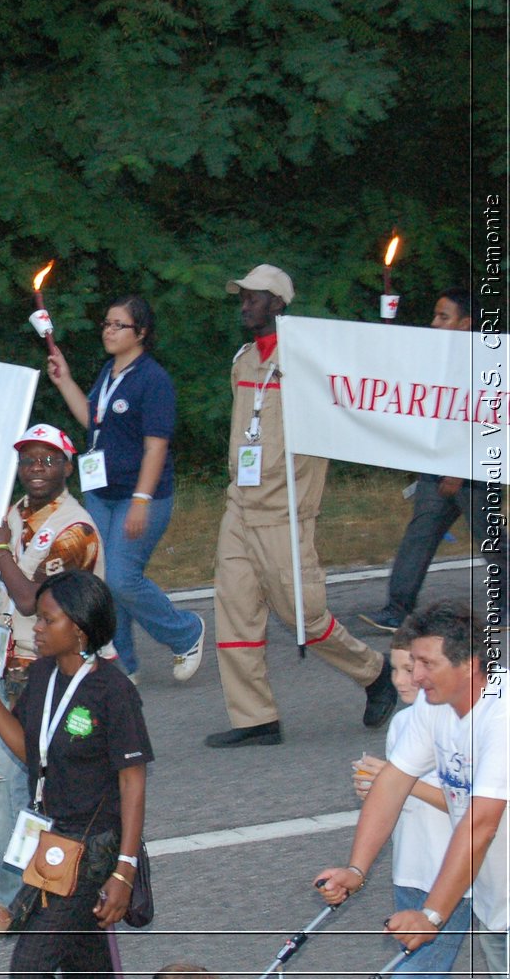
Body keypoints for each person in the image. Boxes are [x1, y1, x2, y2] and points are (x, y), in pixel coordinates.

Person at [205, 265, 397, 747]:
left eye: (253, 297)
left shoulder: (309, 363)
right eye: (242, 296)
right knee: (234, 611)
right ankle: (255, 719)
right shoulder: (243, 361)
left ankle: (375, 673)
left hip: (284, 513)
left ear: (277, 303)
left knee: (304, 618)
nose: (244, 304)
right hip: (239, 507)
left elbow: (362, 395)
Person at [0, 570, 151, 979]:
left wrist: (123, 870)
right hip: (50, 837)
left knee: (29, 966)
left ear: (78, 629)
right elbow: (29, 750)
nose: (36, 629)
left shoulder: (113, 693)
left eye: (46, 620)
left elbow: (133, 782)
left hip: (91, 848)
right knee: (85, 965)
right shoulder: (42, 676)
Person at [0, 423, 109, 939]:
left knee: (7, 786)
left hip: (60, 674)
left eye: (49, 459)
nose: (37, 468)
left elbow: (30, 599)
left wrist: (0, 548)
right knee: (30, 788)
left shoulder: (77, 530)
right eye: (28, 460)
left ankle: (14, 900)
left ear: (68, 467)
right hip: (11, 667)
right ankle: (45, 888)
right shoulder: (13, 515)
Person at [314, 600, 507, 977]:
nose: (415, 676)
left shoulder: (502, 718)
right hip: (497, 904)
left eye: (426, 664)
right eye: (413, 662)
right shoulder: (436, 705)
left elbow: (481, 823)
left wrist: (431, 915)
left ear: (468, 666)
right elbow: (392, 783)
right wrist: (356, 869)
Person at [46, 295, 204, 684]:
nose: (109, 331)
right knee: (101, 579)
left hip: (140, 496)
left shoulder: (153, 380)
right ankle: (125, 664)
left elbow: (156, 445)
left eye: (119, 325)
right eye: (107, 324)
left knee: (121, 577)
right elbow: (92, 422)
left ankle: (185, 632)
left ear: (142, 333)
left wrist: (141, 500)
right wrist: (64, 380)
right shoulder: (109, 373)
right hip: (103, 492)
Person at [362, 288, 496, 632]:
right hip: (435, 464)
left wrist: (458, 468)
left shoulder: (485, 363)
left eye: (443, 317)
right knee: (419, 536)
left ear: (466, 325)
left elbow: (482, 420)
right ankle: (398, 608)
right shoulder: (431, 357)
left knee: (491, 540)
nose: (434, 323)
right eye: (434, 315)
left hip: (474, 467)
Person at [349, 623, 470, 978]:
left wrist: (396, 782)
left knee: (419, 969)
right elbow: (395, 797)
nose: (403, 680)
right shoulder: (403, 723)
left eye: (412, 669)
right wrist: (379, 789)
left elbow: (465, 804)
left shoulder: (461, 723)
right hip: (412, 866)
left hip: (452, 869)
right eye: (396, 669)